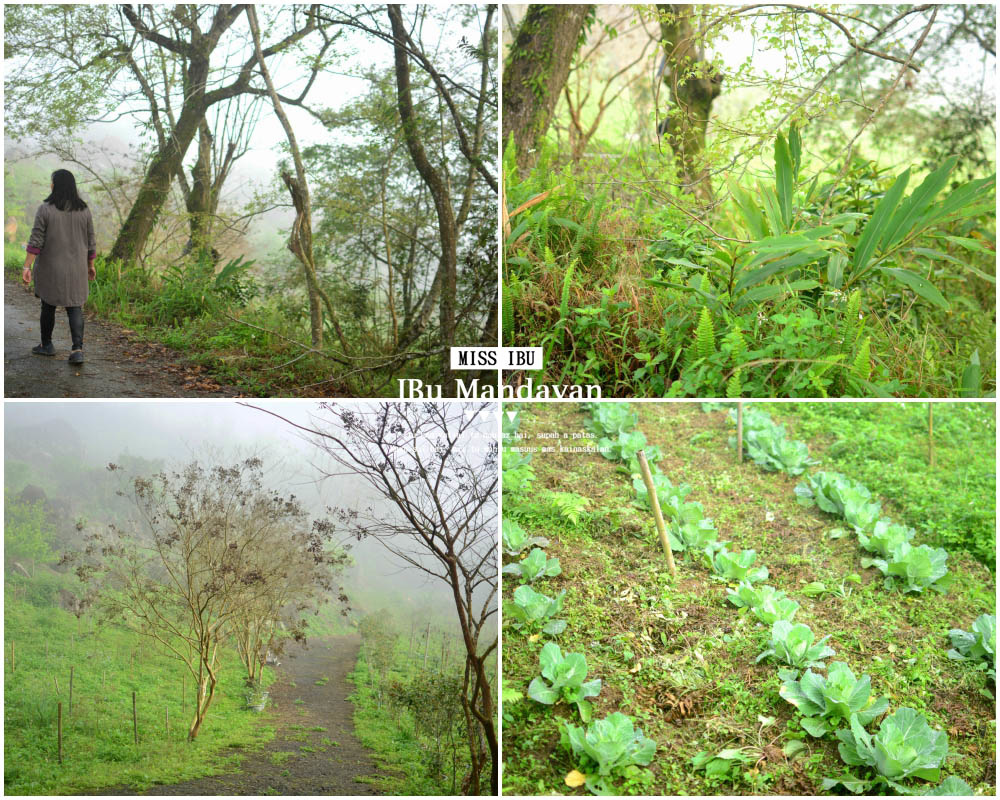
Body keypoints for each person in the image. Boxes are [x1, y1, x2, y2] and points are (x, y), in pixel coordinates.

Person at [21, 169, 97, 364]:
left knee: (48, 304)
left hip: (50, 267)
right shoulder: (84, 210)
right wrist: (91, 264)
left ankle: (47, 345)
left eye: (52, 181)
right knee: (75, 306)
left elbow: (36, 241)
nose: (50, 185)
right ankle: (77, 350)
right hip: (77, 269)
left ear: (56, 185)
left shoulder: (45, 209)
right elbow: (91, 241)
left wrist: (27, 267)